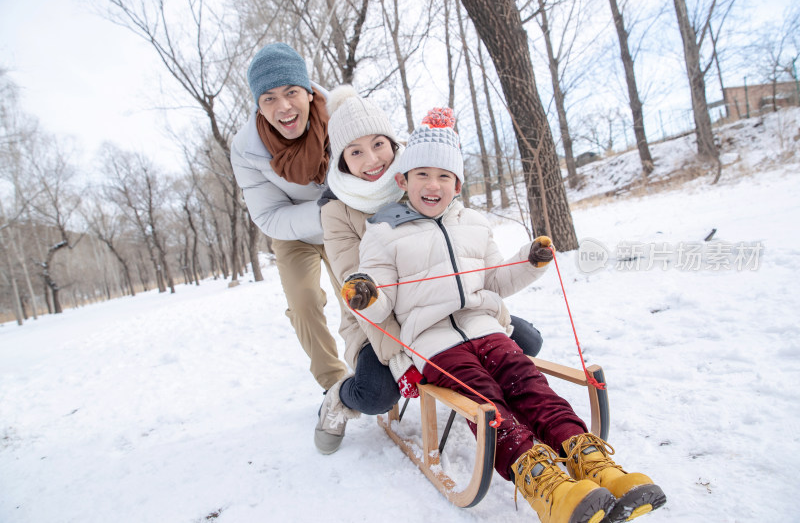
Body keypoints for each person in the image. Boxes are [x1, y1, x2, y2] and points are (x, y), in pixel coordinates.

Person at [341, 108, 666, 523]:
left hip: (485, 327)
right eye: (421, 174)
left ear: (457, 185)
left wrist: (528, 262)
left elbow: (494, 280)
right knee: (485, 400)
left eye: (444, 176)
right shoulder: (383, 231)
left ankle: (594, 462)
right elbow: (383, 298)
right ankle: (546, 485)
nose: (432, 185)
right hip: (433, 341)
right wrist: (367, 295)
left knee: (529, 383)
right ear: (403, 181)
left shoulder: (474, 224)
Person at [315, 87, 545, 455]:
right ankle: (338, 398)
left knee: (527, 341)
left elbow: (460, 248)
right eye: (355, 152)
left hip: (451, 306)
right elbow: (359, 289)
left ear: (393, 144)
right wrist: (404, 354)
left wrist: (490, 316)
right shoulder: (336, 210)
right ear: (342, 161)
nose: (372, 159)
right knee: (377, 394)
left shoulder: (422, 171)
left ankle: (510, 395)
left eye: (378, 145)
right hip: (381, 321)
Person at [230, 44, 348, 396]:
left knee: (359, 295)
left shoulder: (343, 116)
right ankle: (334, 385)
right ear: (258, 105)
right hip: (295, 231)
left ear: (309, 93)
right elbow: (269, 215)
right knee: (304, 301)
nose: (282, 107)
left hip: (346, 222)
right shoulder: (247, 150)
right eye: (268, 98)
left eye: (291, 92)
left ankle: (376, 366)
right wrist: (326, 211)